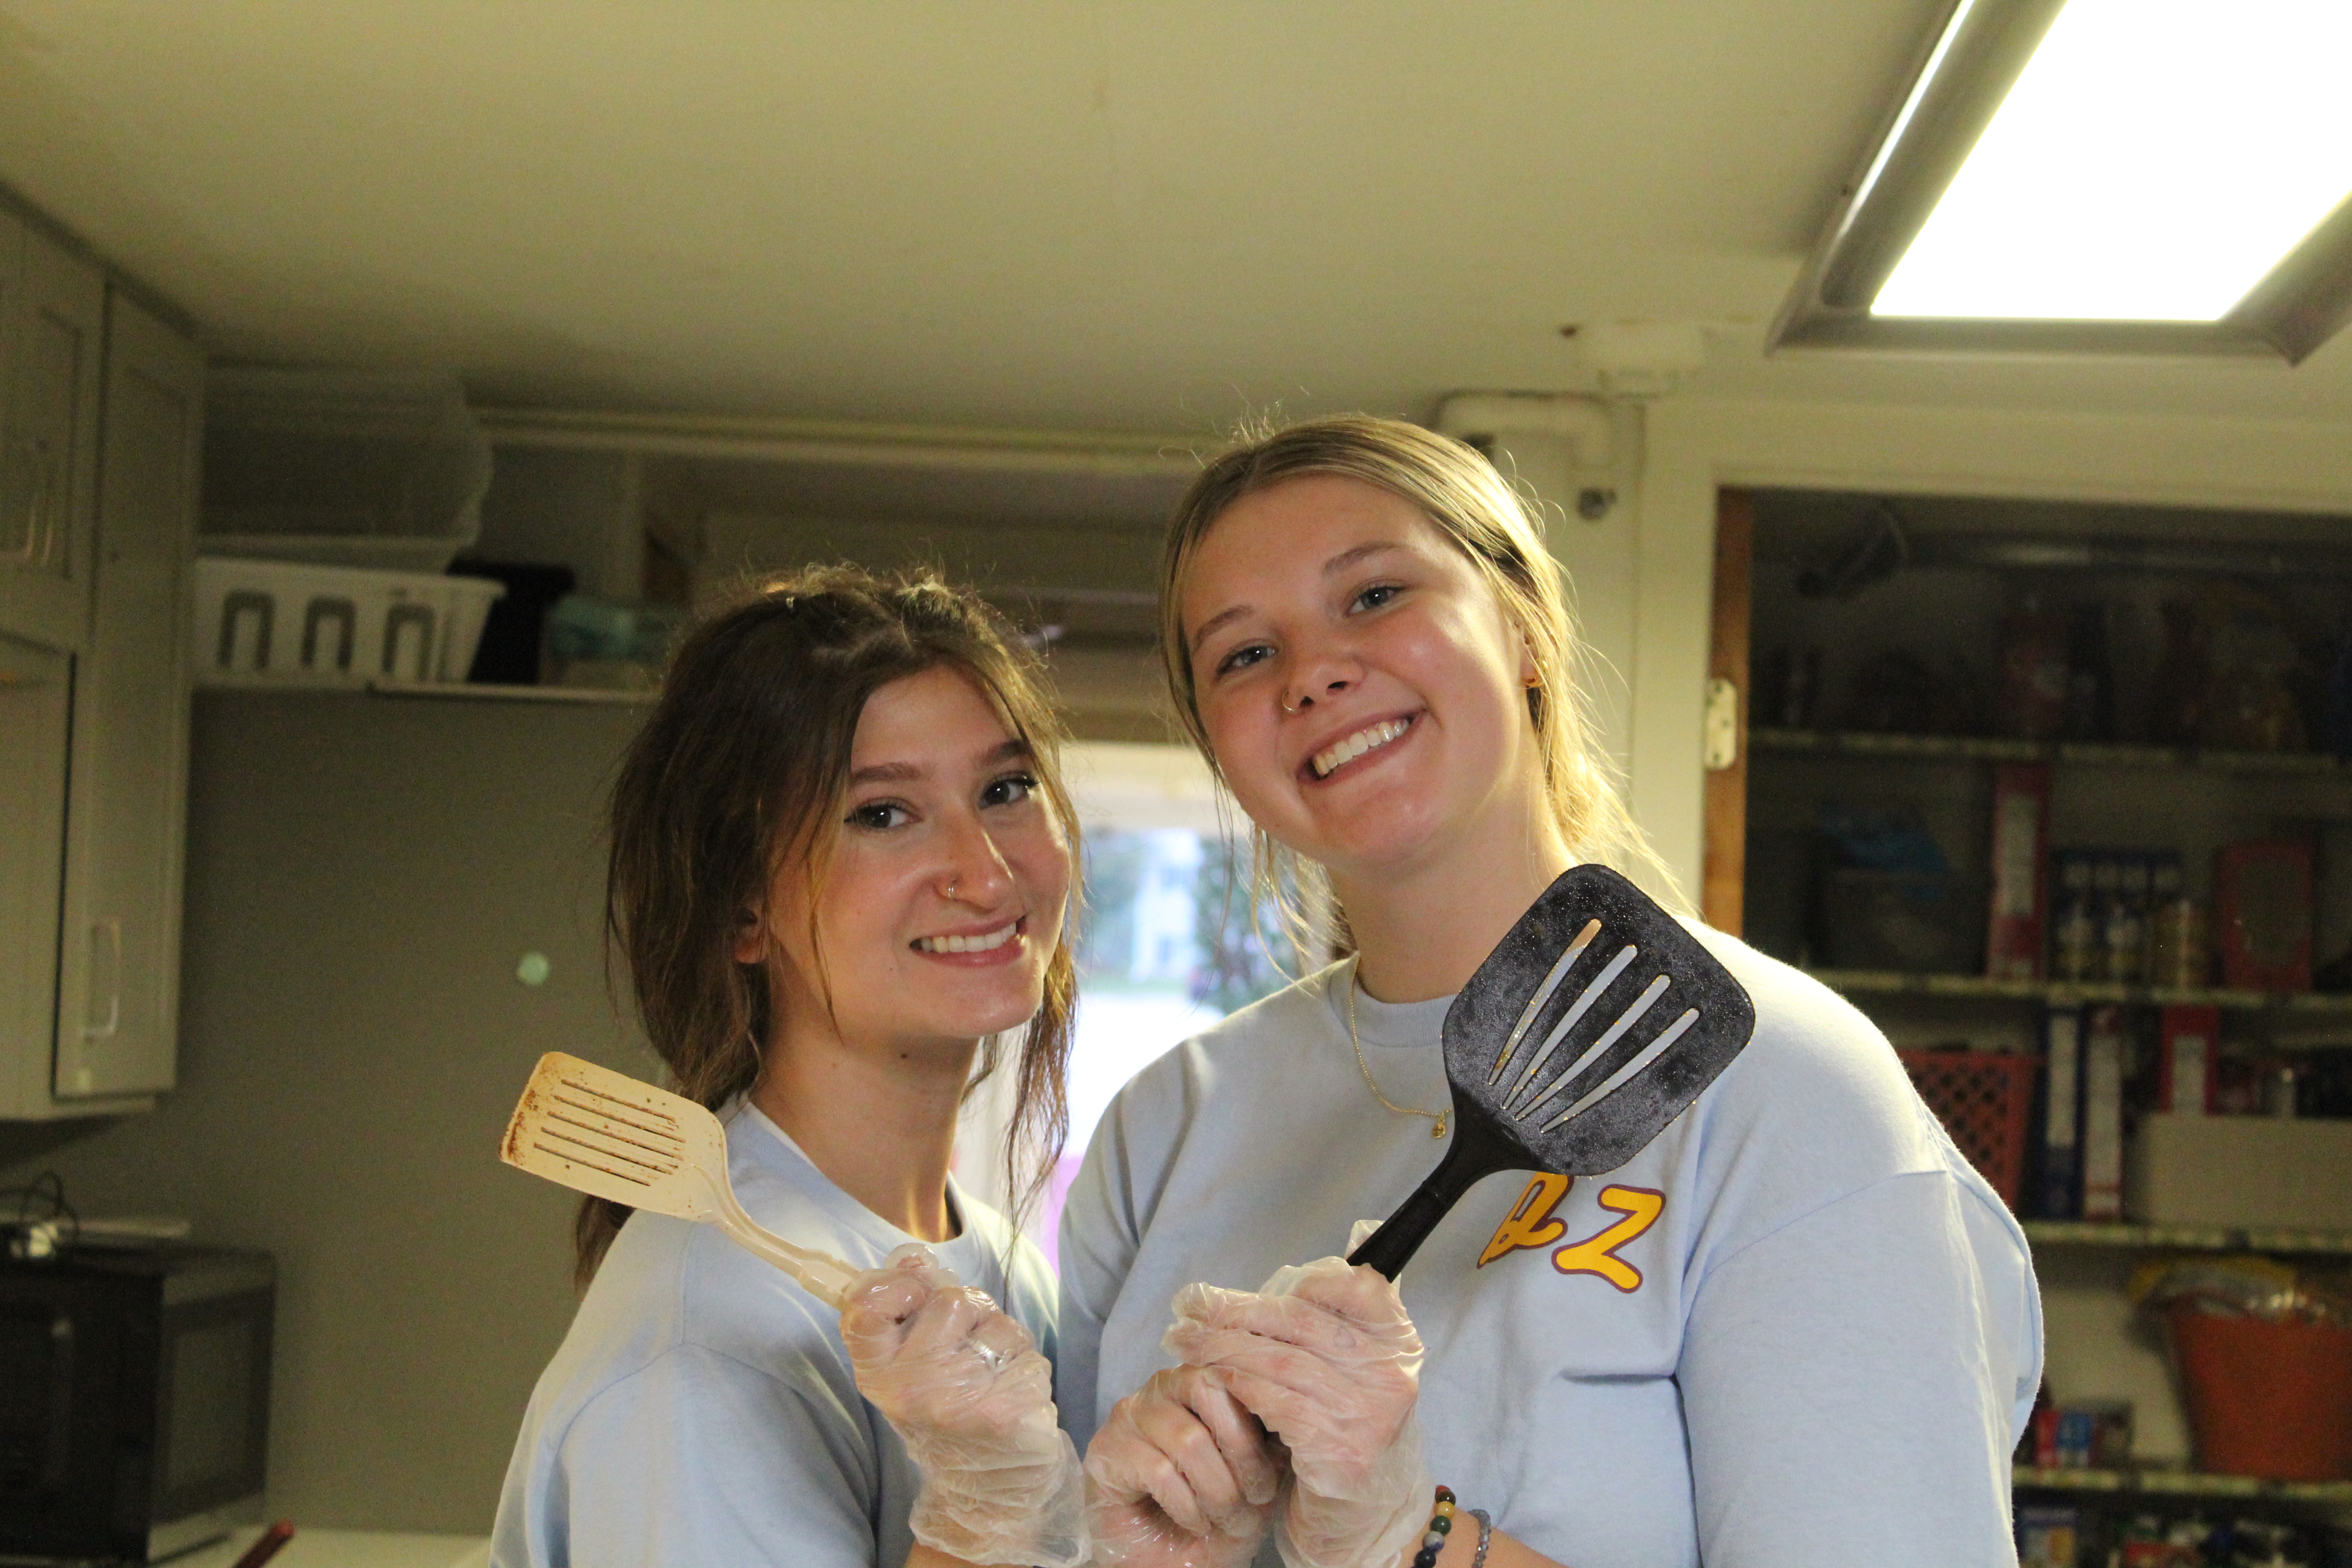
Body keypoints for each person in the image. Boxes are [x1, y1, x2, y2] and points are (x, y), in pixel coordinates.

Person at [1062, 416, 2043, 1568]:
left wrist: (1412, 1541)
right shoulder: (1169, 1124)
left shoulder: (1782, 1087)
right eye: (1242, 655)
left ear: (1524, 629)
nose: (1314, 672)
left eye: (1375, 596)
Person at [494, 567, 1089, 1568]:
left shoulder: (984, 1264)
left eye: (1006, 789)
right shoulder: (703, 1358)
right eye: (883, 815)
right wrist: (976, 1524)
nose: (986, 872)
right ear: (742, 913)